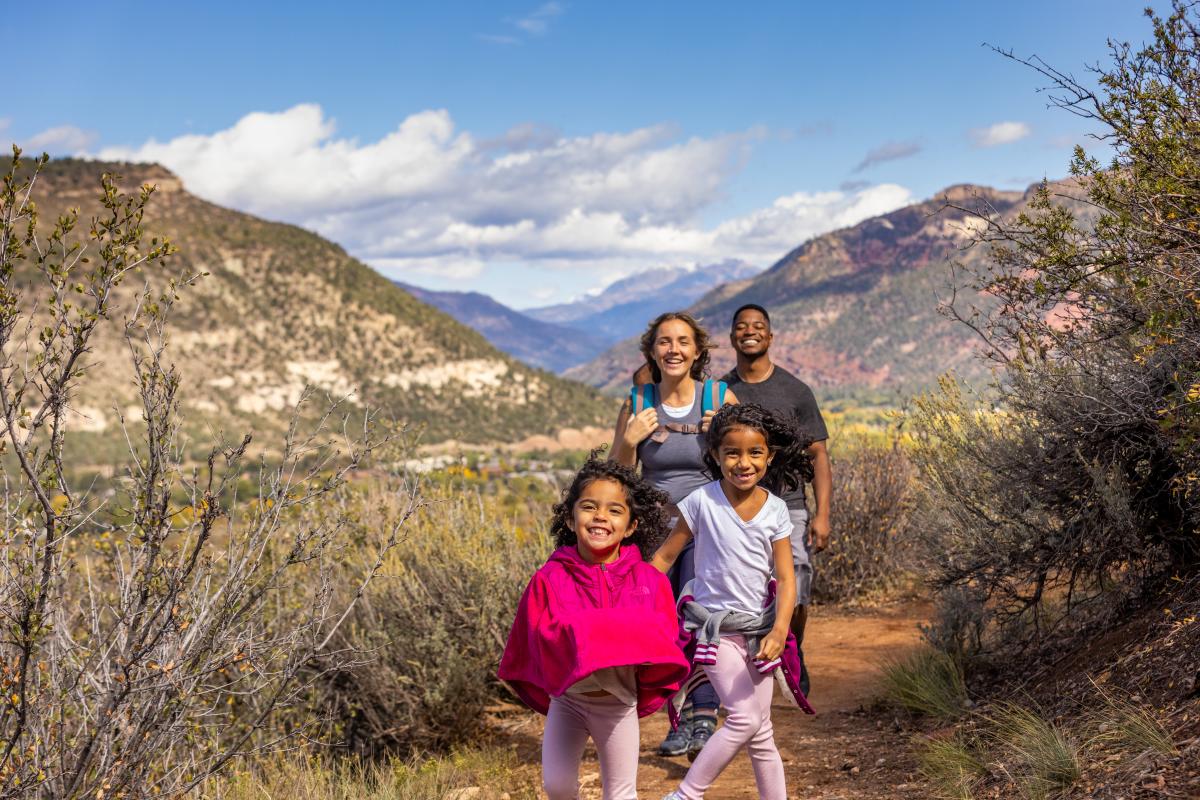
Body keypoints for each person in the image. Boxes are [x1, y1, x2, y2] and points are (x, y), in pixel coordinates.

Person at [498, 457, 690, 800]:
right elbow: (538, 636)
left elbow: (660, 636)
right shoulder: (549, 578)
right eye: (589, 506)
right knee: (557, 787)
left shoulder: (648, 581)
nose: (600, 516)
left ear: (631, 527)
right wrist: (617, 631)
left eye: (615, 510)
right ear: (571, 519)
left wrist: (585, 631)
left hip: (618, 704)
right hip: (567, 702)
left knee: (620, 793)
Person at [652, 403, 812, 800]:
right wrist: (631, 593)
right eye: (732, 452)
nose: (744, 462)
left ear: (769, 456)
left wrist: (779, 629)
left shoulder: (775, 510)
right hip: (714, 632)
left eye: (755, 452)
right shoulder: (701, 503)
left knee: (762, 731)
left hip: (758, 634)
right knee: (743, 718)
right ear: (715, 455)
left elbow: (787, 579)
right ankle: (686, 794)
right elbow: (664, 558)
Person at [610, 311, 737, 759]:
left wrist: (721, 434)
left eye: (683, 341)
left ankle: (703, 716)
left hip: (708, 532)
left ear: (698, 350)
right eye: (664, 342)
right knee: (663, 627)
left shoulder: (720, 397)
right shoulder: (639, 401)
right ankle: (680, 718)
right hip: (654, 537)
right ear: (652, 351)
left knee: (702, 620)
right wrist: (629, 439)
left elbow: (747, 465)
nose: (674, 350)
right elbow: (617, 475)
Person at [720, 304, 831, 679]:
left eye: (758, 326)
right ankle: (742, 667)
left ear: (770, 336)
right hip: (736, 509)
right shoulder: (720, 391)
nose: (749, 331)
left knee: (796, 588)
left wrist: (823, 514)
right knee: (742, 590)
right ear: (732, 336)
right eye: (741, 326)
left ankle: (791, 654)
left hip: (791, 506)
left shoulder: (796, 391)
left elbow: (818, 454)